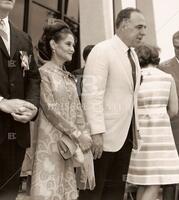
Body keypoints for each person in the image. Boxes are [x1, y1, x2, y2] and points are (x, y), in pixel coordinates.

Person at [79, 7, 147, 200]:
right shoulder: (102, 51)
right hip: (103, 137)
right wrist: (96, 132)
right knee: (93, 193)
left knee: (115, 192)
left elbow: (130, 97)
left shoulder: (132, 55)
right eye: (139, 27)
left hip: (125, 136)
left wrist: (136, 130)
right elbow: (91, 94)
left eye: (145, 28)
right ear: (124, 25)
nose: (143, 32)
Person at [30, 19, 94, 200]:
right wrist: (76, 133)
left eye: (73, 45)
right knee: (48, 190)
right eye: (68, 44)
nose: (73, 49)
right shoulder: (43, 73)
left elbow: (78, 109)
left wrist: (85, 134)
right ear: (53, 45)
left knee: (68, 193)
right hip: (49, 142)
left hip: (69, 145)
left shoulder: (68, 77)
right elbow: (50, 109)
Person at [127, 44, 179, 200]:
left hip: (139, 135)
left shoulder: (134, 78)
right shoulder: (167, 78)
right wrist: (160, 119)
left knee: (144, 183)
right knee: (154, 184)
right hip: (161, 137)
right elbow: (174, 110)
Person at [0, 0, 40, 200]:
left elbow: (33, 77)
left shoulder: (23, 38)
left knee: (9, 193)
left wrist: (32, 106)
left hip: (16, 134)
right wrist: (1, 102)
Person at [159, 31, 179, 200]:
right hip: (173, 127)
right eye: (176, 47)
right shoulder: (164, 68)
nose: (178, 50)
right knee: (171, 174)